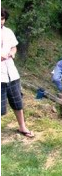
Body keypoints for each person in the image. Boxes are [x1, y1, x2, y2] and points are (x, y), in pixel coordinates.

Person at [1, 8, 33, 138]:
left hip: (12, 73)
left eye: (2, 18)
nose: (0, 21)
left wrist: (12, 53)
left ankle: (22, 126)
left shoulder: (8, 32)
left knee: (17, 102)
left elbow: (14, 46)